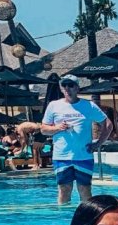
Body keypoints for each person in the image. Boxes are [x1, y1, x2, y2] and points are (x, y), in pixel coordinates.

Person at [27, 75, 110, 205]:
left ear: (77, 88)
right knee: (64, 190)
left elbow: (107, 124)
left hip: (83, 156)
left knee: (85, 190)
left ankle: (85, 220)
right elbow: (43, 129)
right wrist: (58, 128)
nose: (67, 88)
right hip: (61, 156)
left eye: (70, 85)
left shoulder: (89, 106)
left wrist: (98, 143)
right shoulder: (53, 105)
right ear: (61, 88)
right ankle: (64, 220)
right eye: (64, 85)